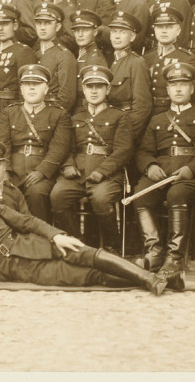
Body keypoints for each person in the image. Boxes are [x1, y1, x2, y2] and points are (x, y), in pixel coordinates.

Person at [0, 170, 166, 294]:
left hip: (32, 244)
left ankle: (149, 278)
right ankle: (165, 280)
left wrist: (56, 236)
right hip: (17, 269)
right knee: (82, 276)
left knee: (84, 253)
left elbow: (28, 222)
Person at [132, 61, 195, 290]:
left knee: (177, 193)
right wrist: (150, 166)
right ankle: (154, 251)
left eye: (183, 84)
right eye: (174, 85)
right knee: (140, 195)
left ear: (192, 89)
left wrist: (192, 169)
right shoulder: (157, 119)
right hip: (161, 175)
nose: (178, 89)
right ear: (167, 90)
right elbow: (143, 151)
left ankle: (174, 258)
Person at [50, 65, 133, 251]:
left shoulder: (120, 117)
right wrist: (68, 165)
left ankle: (112, 246)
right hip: (77, 173)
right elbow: (65, 147)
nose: (94, 91)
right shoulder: (75, 118)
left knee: (101, 199)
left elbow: (123, 150)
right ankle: (76, 243)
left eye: (99, 86)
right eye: (89, 87)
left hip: (107, 174)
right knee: (57, 196)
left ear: (108, 89)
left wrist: (102, 172)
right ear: (84, 89)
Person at [0, 64, 72, 222]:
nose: (31, 88)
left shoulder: (58, 114)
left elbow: (59, 148)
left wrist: (42, 172)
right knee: (4, 194)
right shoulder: (9, 112)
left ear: (46, 88)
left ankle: (38, 241)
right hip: (13, 171)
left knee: (37, 194)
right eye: (27, 85)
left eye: (36, 84)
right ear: (21, 90)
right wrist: (5, 172)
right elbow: (2, 145)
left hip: (41, 173)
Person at [143, 3, 195, 117]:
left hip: (174, 114)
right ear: (154, 29)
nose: (164, 31)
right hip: (147, 114)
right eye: (160, 27)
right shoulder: (146, 58)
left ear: (178, 30)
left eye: (169, 27)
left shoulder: (187, 59)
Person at [0, 3, 37, 115]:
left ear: (15, 26)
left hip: (12, 109)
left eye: (6, 24)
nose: (1, 28)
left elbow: (27, 88)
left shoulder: (23, 51)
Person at [106, 10, 152, 142]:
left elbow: (142, 107)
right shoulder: (111, 62)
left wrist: (126, 136)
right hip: (111, 127)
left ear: (132, 37)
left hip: (126, 130)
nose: (117, 36)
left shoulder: (137, 63)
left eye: (123, 32)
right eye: (114, 32)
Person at [33, 1, 77, 111]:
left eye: (47, 23)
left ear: (57, 26)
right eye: (39, 23)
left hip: (53, 114)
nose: (42, 27)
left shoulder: (64, 55)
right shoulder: (33, 54)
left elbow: (66, 98)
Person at [71, 10, 110, 95]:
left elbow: (94, 94)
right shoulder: (81, 53)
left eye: (85, 30)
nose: (80, 35)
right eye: (77, 30)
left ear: (95, 32)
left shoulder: (95, 59)